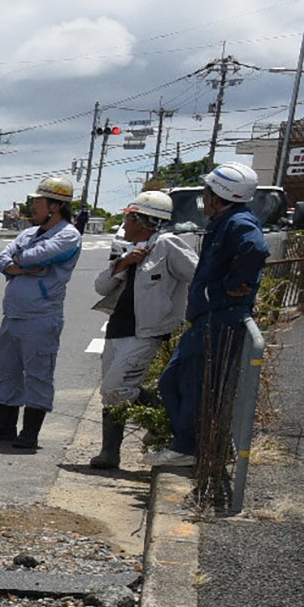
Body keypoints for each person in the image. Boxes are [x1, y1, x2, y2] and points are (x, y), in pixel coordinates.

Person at [156, 161, 267, 469]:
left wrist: (232, 286)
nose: (203, 198)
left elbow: (255, 249)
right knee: (174, 381)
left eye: (206, 192)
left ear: (218, 197)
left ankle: (188, 448)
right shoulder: (227, 220)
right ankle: (191, 444)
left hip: (220, 317)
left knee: (195, 384)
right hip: (210, 315)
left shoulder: (239, 222)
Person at [87, 189, 197, 470]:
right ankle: (109, 452)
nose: (125, 225)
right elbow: (101, 286)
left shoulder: (168, 245)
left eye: (130, 219)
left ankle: (165, 420)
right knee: (109, 393)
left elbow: (195, 274)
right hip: (117, 329)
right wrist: (124, 263)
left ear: (145, 220)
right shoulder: (129, 251)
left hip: (145, 332)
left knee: (117, 388)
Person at [0, 176, 84, 452]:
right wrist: (19, 267)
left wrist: (18, 262)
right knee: (5, 370)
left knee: (38, 373)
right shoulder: (28, 234)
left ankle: (30, 433)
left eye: (38, 201)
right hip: (13, 315)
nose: (32, 205)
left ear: (55, 206)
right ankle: (4, 426)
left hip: (41, 316)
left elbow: (33, 257)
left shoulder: (68, 235)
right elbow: (2, 261)